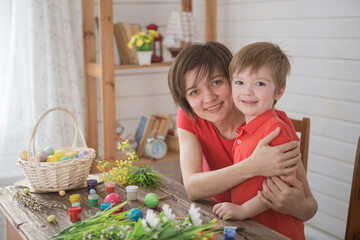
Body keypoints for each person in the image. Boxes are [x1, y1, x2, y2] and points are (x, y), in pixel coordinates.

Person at [168, 41, 317, 222]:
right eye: (194, 92)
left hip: (267, 227)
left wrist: (297, 206)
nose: (208, 98)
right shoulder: (190, 116)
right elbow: (192, 188)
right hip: (222, 221)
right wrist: (253, 166)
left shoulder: (270, 126)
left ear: (233, 79)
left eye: (216, 82)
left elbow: (309, 208)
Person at [212, 42, 306, 239]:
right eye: (240, 82)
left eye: (259, 84)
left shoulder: (276, 130)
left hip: (276, 231)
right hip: (251, 229)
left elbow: (282, 185)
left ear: (279, 92)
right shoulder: (246, 130)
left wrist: (243, 210)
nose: (247, 91)